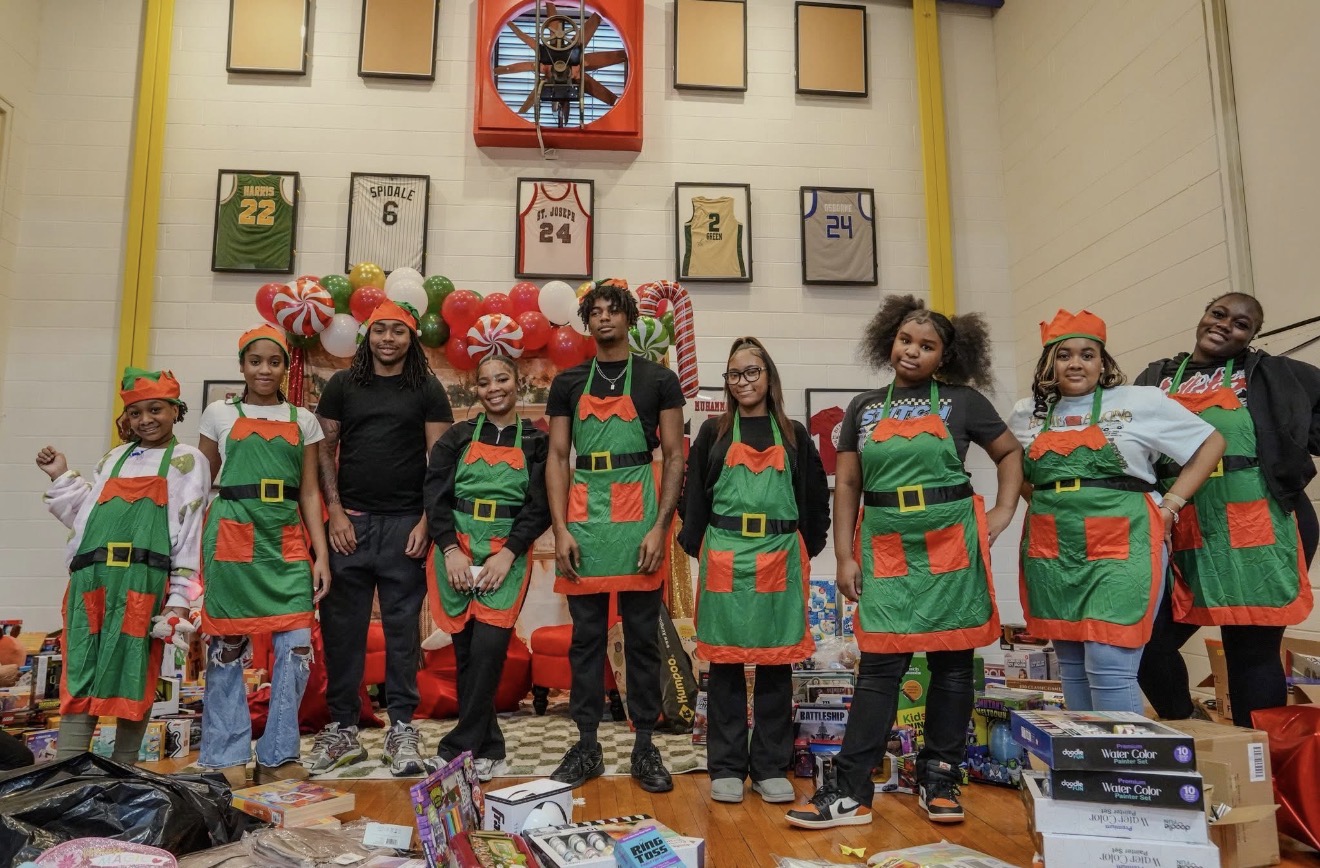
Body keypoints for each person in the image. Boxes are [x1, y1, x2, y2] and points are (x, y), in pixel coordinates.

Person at [786, 295, 1022, 829]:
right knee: (880, 668)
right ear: (889, 340)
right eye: (905, 340)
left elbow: (1010, 453)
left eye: (927, 346)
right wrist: (845, 554)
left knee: (953, 666)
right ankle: (850, 793)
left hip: (950, 540)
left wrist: (1004, 510)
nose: (912, 352)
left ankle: (939, 778)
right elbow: (847, 483)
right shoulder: (864, 407)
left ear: (945, 356)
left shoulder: (963, 401)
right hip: (886, 540)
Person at [1009, 309, 1225, 715]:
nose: (1076, 363)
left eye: (1087, 354)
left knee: (1110, 664)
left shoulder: (1140, 401)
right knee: (1071, 664)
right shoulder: (1027, 412)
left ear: (1103, 361)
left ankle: (1124, 767)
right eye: (1064, 354)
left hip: (1124, 537)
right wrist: (1045, 504)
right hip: (1054, 545)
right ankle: (1086, 767)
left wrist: (1171, 505)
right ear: (1048, 363)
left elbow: (1210, 443)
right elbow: (1015, 469)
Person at [1136, 293, 1319, 727]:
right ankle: (1193, 730)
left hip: (1264, 521)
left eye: (1241, 323)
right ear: (1203, 315)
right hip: (1181, 523)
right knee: (1146, 639)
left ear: (1252, 336)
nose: (1225, 325)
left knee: (1250, 649)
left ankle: (1256, 768)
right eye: (1219, 314)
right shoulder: (1156, 377)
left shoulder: (1275, 374)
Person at [545, 279, 685, 793]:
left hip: (638, 519)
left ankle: (645, 747)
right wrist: (560, 529)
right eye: (595, 312)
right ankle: (586, 746)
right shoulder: (568, 381)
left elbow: (673, 456)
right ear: (587, 322)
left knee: (643, 640)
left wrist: (660, 526)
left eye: (613, 310)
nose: (604, 319)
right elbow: (559, 457)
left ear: (628, 318)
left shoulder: (658, 379)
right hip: (584, 519)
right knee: (585, 641)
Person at [680, 337, 829, 805]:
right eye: (734, 374)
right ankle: (725, 765)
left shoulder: (794, 434)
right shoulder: (714, 432)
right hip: (725, 552)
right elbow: (695, 498)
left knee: (775, 662)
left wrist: (806, 546)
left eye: (752, 371)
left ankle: (768, 766)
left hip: (780, 554)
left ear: (769, 376)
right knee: (723, 664)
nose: (743, 381)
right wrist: (698, 549)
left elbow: (813, 497)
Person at [36, 368, 210, 762]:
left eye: (156, 409)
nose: (145, 419)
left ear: (176, 411)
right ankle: (68, 773)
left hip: (142, 582)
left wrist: (180, 597)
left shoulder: (187, 461)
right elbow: (86, 518)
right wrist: (61, 475)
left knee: (135, 668)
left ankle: (125, 769)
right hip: (91, 578)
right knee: (80, 665)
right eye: (135, 413)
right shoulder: (113, 459)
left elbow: (190, 529)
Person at [311, 300, 453, 776]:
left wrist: (426, 522)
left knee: (401, 634)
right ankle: (344, 730)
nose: (388, 339)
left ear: (411, 339)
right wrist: (334, 514)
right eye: (380, 330)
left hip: (404, 527)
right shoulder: (342, 385)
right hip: (348, 523)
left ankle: (401, 728)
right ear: (367, 335)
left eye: (398, 331)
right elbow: (325, 452)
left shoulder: (428, 388)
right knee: (342, 631)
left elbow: (440, 460)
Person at [196, 325, 332, 787]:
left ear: (285, 368)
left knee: (296, 645)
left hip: (286, 534)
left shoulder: (303, 419)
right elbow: (199, 484)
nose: (264, 370)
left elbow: (311, 492)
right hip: (232, 529)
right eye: (255, 361)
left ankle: (278, 754)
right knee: (228, 648)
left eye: (274, 362)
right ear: (242, 365)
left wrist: (322, 555)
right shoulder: (218, 413)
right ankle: (225, 751)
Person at [422, 353, 550, 782]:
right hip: (456, 550)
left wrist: (509, 552)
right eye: (484, 382)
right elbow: (435, 494)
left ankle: (455, 747)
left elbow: (541, 506)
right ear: (475, 388)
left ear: (519, 384)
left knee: (488, 653)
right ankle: (490, 747)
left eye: (502, 379)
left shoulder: (536, 441)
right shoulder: (456, 437)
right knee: (465, 657)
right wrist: (449, 550)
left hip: (504, 557)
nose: (494, 388)